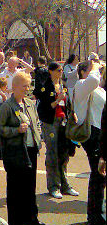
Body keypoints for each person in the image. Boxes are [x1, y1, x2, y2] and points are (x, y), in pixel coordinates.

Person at [0, 72, 45, 225]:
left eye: (28, 85)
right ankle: (15, 224)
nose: (27, 89)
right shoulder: (7, 106)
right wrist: (16, 130)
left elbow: (36, 122)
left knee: (30, 186)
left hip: (31, 150)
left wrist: (38, 138)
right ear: (14, 87)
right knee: (16, 189)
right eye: (24, 86)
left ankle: (30, 217)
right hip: (15, 152)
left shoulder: (30, 103)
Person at [37, 61, 79, 199]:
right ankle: (53, 186)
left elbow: (67, 101)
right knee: (52, 154)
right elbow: (43, 106)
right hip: (50, 122)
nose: (61, 72)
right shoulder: (45, 86)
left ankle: (65, 184)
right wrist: (56, 100)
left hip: (63, 122)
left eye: (62, 70)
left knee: (64, 153)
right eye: (59, 70)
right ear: (51, 71)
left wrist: (72, 112)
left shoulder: (63, 85)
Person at [73, 60, 106, 225]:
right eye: (93, 70)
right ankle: (96, 219)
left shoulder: (97, 88)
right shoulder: (81, 85)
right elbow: (93, 80)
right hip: (91, 134)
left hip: (100, 132)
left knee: (100, 177)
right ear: (83, 71)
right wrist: (94, 66)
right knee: (98, 176)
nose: (98, 72)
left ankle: (95, 214)